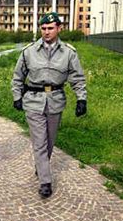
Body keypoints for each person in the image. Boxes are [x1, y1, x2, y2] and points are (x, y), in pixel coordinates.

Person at [11, 12, 87, 199]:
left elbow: (77, 78)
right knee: (39, 142)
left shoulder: (69, 52)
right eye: (43, 28)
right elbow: (18, 76)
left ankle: (41, 165)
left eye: (50, 28)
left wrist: (81, 99)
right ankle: (45, 181)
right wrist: (17, 96)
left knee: (50, 141)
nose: (46, 32)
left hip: (55, 100)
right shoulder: (29, 51)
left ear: (59, 29)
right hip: (34, 100)